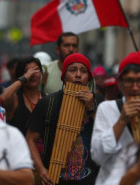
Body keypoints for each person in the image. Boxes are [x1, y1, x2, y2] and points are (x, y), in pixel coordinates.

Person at [26, 53, 100, 185]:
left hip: (88, 179)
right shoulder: (48, 103)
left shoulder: (99, 103)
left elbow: (106, 136)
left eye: (83, 71)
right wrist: (41, 170)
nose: (78, 74)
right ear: (63, 76)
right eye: (72, 70)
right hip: (53, 178)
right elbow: (30, 139)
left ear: (88, 78)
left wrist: (91, 110)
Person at [91, 51, 140, 185]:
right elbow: (97, 157)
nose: (135, 87)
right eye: (129, 81)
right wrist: (122, 121)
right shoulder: (106, 109)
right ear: (119, 84)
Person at [1, 56, 46, 136]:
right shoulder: (15, 99)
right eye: (27, 71)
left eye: (36, 70)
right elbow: (3, 98)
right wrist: (25, 77)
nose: (32, 74)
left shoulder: (47, 98)